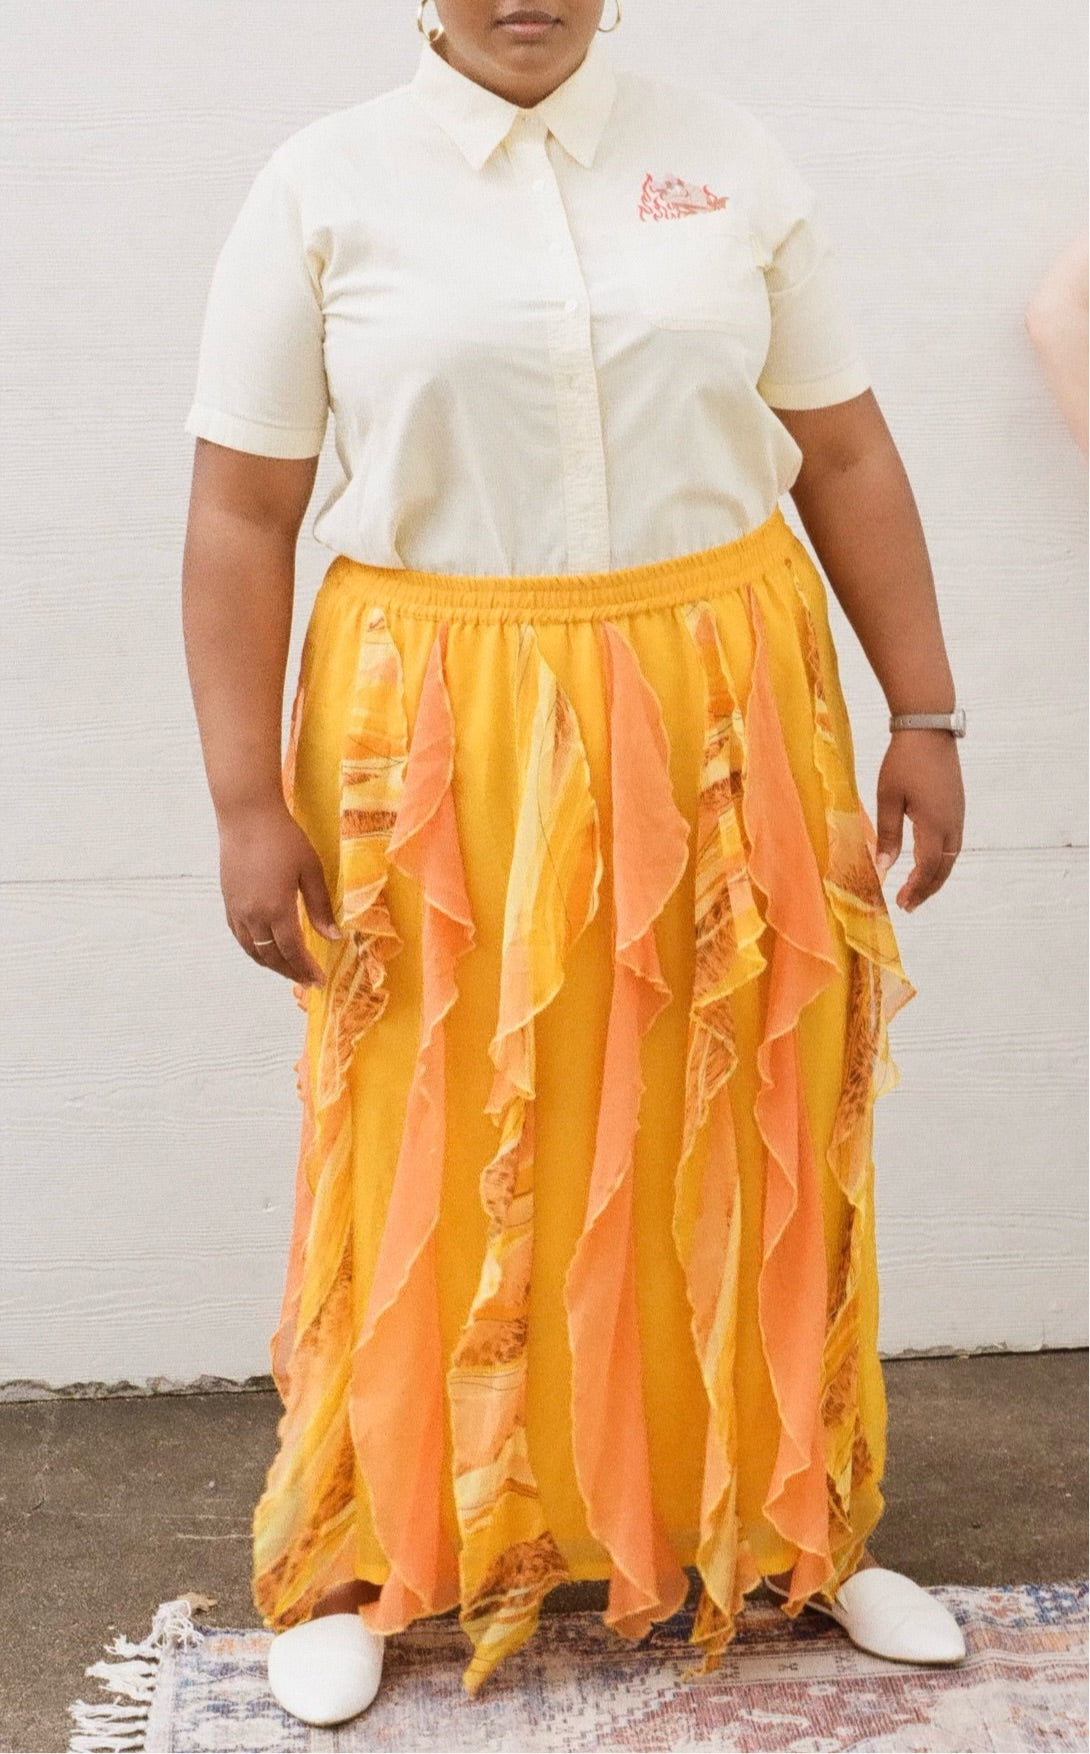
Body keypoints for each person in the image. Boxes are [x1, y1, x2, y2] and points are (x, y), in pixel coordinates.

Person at [180, 0, 968, 1727]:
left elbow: (840, 449)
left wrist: (926, 710)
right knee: (428, 1118)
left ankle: (784, 1528)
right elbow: (241, 510)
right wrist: (246, 797)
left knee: (752, 1100)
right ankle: (367, 1552)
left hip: (728, 692)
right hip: (438, 720)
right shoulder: (325, 185)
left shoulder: (726, 156)